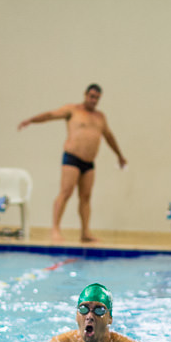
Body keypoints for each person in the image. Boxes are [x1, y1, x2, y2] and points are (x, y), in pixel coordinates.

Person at [18, 84, 127, 243]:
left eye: (96, 98)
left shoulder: (100, 117)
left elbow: (109, 137)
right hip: (72, 158)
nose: (93, 100)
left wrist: (120, 156)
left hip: (89, 163)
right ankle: (55, 229)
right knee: (66, 192)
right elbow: (50, 115)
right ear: (85, 95)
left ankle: (85, 233)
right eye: (91, 96)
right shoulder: (73, 110)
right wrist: (31, 120)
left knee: (86, 197)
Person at [43, 283, 152, 342]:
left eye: (99, 310)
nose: (89, 316)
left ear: (110, 318)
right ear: (76, 316)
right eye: (83, 309)